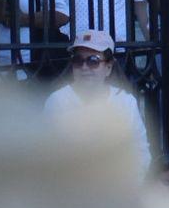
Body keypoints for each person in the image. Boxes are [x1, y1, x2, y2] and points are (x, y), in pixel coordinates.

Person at [44, 29, 152, 164]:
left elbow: (140, 150)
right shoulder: (57, 101)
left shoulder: (126, 101)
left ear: (108, 67)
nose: (84, 67)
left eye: (93, 61)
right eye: (78, 60)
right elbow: (48, 154)